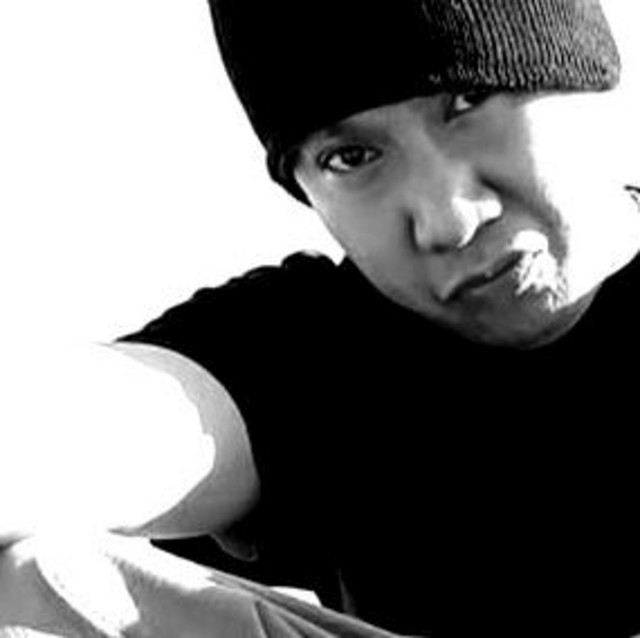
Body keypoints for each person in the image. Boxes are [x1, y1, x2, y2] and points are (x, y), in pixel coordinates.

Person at [1, 1, 639, 636]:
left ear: (590, 82)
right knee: (29, 578)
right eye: (351, 157)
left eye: (471, 99)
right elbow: (88, 429)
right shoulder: (314, 348)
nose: (447, 218)